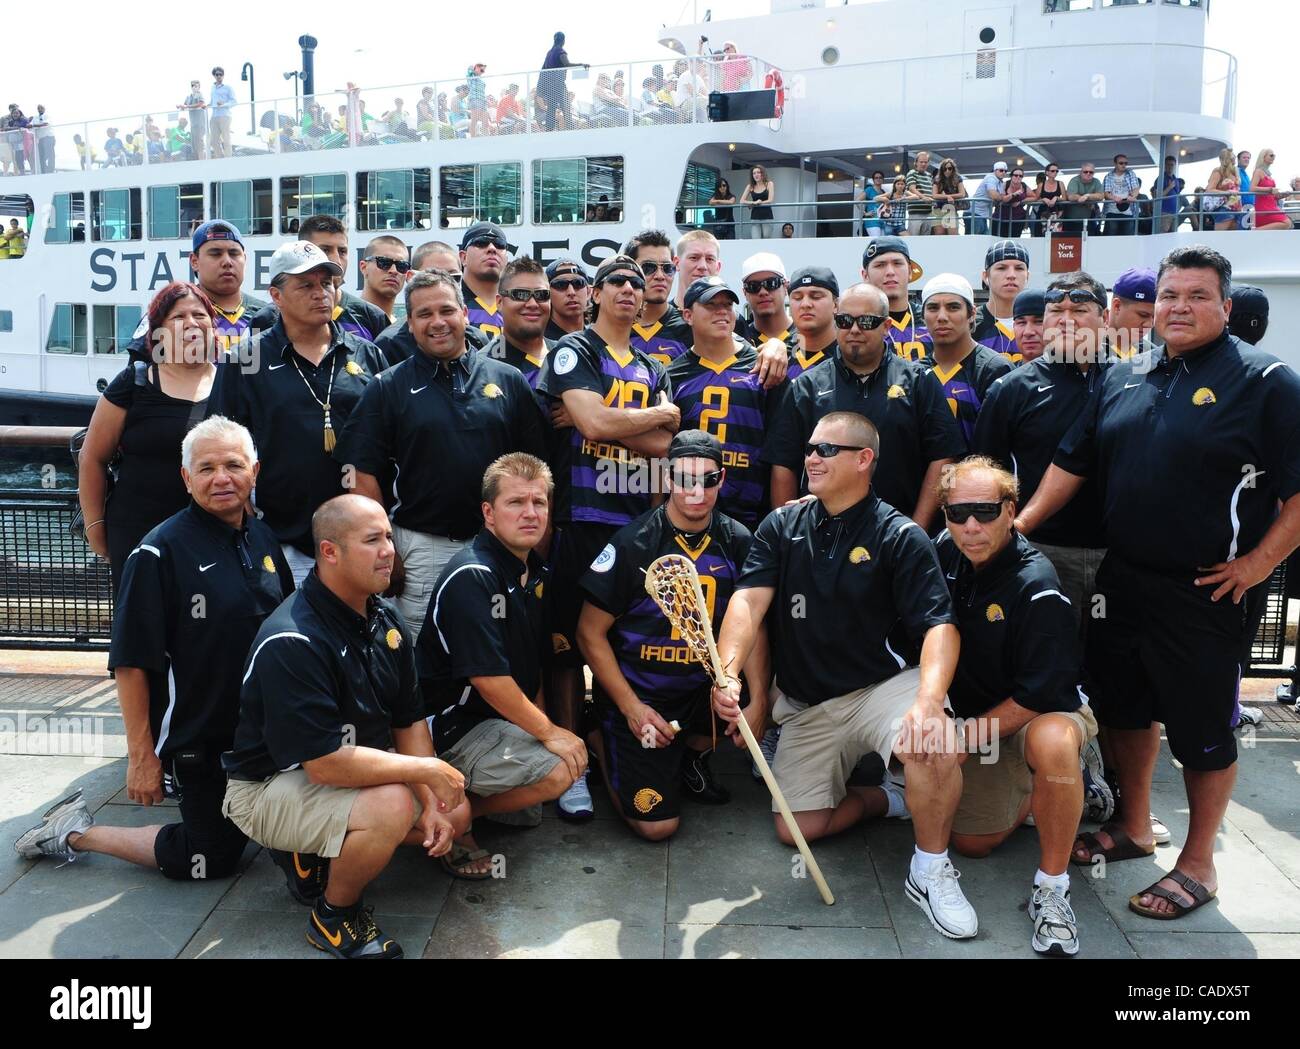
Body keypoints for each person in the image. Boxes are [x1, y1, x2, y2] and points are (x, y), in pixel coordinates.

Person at [1017, 245, 1300, 921]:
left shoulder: (1266, 382)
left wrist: (1258, 564)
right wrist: (1018, 525)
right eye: (1170, 294)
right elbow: (1072, 462)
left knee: (1203, 729)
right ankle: (1136, 826)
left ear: (1226, 307)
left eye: (1197, 295)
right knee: (1124, 708)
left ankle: (1200, 859)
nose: (1179, 306)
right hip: (1125, 576)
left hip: (1208, 588)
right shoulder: (1124, 375)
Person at [713, 410, 975, 939]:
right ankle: (891, 797)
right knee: (796, 832)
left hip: (881, 688)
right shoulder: (780, 524)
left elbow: (940, 627)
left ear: (863, 460)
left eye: (827, 449)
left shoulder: (900, 534)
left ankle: (931, 870)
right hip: (809, 704)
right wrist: (730, 672)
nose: (811, 457)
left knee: (934, 737)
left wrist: (928, 700)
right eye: (809, 447)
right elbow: (747, 601)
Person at [17, 418, 293, 881]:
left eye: (233, 465)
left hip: (265, 730)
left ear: (255, 471)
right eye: (205, 468)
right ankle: (76, 831)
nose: (221, 478)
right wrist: (142, 757)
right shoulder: (158, 553)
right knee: (212, 859)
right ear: (186, 479)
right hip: (200, 741)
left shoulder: (263, 538)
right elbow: (130, 663)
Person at [222, 494, 470, 958]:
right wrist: (422, 774)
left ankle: (313, 853)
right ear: (329, 552)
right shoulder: (294, 637)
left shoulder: (382, 614)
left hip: (330, 771)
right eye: (372, 540)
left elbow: (409, 720)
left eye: (389, 538)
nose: (389, 550)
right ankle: (334, 917)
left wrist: (432, 801)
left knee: (454, 814)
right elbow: (325, 766)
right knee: (393, 805)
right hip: (264, 787)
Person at [535, 255, 680, 822]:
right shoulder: (575, 350)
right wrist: (653, 415)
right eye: (616, 281)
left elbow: (667, 446)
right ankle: (571, 768)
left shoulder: (650, 365)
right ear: (595, 293)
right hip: (581, 519)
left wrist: (611, 416)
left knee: (623, 638)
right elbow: (595, 425)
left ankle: (623, 743)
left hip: (636, 524)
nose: (627, 289)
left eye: (636, 283)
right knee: (568, 647)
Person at [936, 457, 1098, 957]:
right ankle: (1045, 789)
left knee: (1051, 742)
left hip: (1040, 710)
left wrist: (963, 739)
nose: (970, 526)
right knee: (972, 844)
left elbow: (1039, 693)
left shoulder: (1037, 582)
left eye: (984, 511)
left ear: (1011, 511)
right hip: (982, 713)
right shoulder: (946, 551)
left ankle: (1052, 889)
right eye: (957, 512)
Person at [335, 271, 546, 633]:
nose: (437, 323)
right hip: (422, 550)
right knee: (422, 659)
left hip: (501, 546)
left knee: (504, 649)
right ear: (410, 323)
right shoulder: (387, 387)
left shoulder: (509, 379)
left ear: (465, 313)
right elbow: (361, 472)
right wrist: (386, 547)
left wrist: (536, 550)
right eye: (424, 314)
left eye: (446, 310)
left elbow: (537, 471)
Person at [578, 431, 766, 837]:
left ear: (723, 480)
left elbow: (753, 622)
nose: (696, 491)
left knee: (756, 690)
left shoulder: (738, 541)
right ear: (667, 478)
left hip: (704, 686)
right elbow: (588, 633)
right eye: (684, 478)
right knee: (658, 827)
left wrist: (757, 696)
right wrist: (632, 708)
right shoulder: (634, 542)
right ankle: (600, 738)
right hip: (645, 692)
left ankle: (691, 755)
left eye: (708, 480)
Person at [419, 453, 582, 865]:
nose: (530, 513)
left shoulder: (532, 569)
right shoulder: (474, 574)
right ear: (488, 513)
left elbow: (531, 668)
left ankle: (460, 799)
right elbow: (487, 679)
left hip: (495, 719)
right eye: (516, 503)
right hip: (449, 727)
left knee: (530, 812)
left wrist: (545, 729)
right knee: (558, 769)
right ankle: (451, 815)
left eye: (539, 502)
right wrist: (549, 732)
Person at [207, 241, 387, 585]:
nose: (321, 293)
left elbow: (388, 443)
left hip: (360, 539)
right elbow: (221, 444)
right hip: (281, 542)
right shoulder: (245, 360)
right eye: (306, 285)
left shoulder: (367, 355)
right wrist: (244, 520)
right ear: (276, 295)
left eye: (327, 284)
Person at [764, 282, 964, 529]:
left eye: (867, 322)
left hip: (898, 535)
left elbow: (945, 459)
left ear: (887, 326)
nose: (855, 329)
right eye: (845, 321)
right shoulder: (806, 386)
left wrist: (917, 529)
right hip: (822, 536)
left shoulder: (920, 381)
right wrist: (790, 533)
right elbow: (783, 464)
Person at [78, 282, 219, 594]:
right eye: (179, 317)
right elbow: (93, 457)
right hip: (137, 531)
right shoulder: (136, 381)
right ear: (159, 332)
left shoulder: (232, 383)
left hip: (212, 532)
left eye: (200, 315)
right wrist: (96, 526)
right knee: (141, 626)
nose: (192, 323)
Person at [667, 277, 775, 528]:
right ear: (687, 315)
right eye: (711, 304)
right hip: (690, 505)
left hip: (753, 511)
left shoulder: (764, 366)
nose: (722, 311)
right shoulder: (672, 375)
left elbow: (781, 445)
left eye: (727, 304)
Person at [249, 216, 389, 343]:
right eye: (325, 250)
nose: (337, 260)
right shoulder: (264, 319)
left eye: (342, 251)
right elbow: (249, 367)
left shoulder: (373, 317)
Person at [921, 273, 1015, 446]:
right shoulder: (915, 373)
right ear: (923, 316)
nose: (942, 316)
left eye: (953, 307)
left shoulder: (995, 370)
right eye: (933, 308)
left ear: (972, 313)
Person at [182, 221, 269, 353]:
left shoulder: (266, 316)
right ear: (194, 261)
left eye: (234, 254)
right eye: (216, 254)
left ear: (244, 259)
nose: (227, 262)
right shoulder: (173, 314)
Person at [486, 257, 556, 388]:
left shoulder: (567, 354)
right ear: (499, 302)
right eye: (520, 294)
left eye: (541, 295)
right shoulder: (484, 367)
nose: (532, 304)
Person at [861, 236, 929, 362]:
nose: (890, 272)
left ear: (909, 271)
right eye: (880, 265)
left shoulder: (931, 319)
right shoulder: (857, 325)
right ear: (865, 275)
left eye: (897, 263)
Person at [973, 240, 1030, 362]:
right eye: (1001, 268)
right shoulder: (970, 325)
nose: (1011, 275)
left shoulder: (1041, 325)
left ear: (1027, 276)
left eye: (1019, 268)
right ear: (985, 277)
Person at [785, 266, 839, 382]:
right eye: (797, 297)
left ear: (835, 305)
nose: (805, 304)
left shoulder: (849, 357)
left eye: (816, 296)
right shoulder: (779, 358)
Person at [737, 251, 797, 354]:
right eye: (753, 286)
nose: (763, 292)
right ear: (745, 293)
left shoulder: (806, 335)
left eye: (771, 283)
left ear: (786, 287)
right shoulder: (739, 341)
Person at [459, 221, 510, 336]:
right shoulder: (449, 304)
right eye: (481, 243)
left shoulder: (517, 308)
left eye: (499, 244)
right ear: (463, 257)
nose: (492, 248)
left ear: (506, 260)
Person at [539, 32, 587, 131]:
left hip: (549, 86)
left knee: (551, 108)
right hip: (559, 85)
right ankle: (570, 128)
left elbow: (543, 70)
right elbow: (567, 64)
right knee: (565, 107)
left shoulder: (549, 53)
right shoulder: (560, 51)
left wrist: (541, 88)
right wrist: (581, 65)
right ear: (563, 41)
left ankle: (549, 130)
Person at [359, 235, 411, 324]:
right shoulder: (343, 321)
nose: (394, 271)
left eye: (401, 266)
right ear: (364, 267)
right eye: (384, 262)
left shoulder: (405, 330)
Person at [1107, 267, 1156, 358]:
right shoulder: (1088, 351)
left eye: (1155, 317)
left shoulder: (1155, 357)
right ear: (1117, 306)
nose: (1149, 324)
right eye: (1143, 315)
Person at [672, 229, 723, 310]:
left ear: (718, 267)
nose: (703, 266)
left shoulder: (731, 319)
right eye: (694, 258)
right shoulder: (660, 318)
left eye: (710, 259)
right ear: (677, 263)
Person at [544, 257, 590, 341]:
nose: (571, 292)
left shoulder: (601, 339)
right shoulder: (537, 342)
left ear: (588, 292)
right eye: (561, 285)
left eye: (578, 283)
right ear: (548, 294)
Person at [1249, 148, 1294, 231]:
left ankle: (1257, 231)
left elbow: (1271, 195)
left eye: (1274, 155)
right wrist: (1270, 189)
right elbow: (1251, 188)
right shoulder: (1258, 172)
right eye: (1271, 155)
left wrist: (1282, 195)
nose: (1273, 157)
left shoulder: (1268, 174)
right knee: (1287, 223)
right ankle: (1255, 231)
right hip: (1264, 208)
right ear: (1263, 157)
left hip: (1271, 206)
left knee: (1287, 224)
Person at [1203, 148, 1244, 231]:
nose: (1235, 157)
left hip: (1236, 207)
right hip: (1224, 207)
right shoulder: (1218, 171)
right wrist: (1226, 192)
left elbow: (1238, 185)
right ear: (1227, 158)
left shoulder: (1234, 171)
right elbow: (1209, 190)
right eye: (1232, 155)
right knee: (1220, 237)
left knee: (1233, 238)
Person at [1101, 154, 1140, 235]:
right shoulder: (1108, 176)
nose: (1124, 165)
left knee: (1127, 239)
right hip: (1112, 212)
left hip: (1128, 212)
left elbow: (1136, 189)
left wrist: (1132, 197)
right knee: (1110, 239)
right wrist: (1114, 198)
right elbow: (1106, 193)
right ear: (1115, 164)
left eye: (1126, 163)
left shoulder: (1131, 174)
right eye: (1121, 163)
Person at [1063, 163, 1104, 236]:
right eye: (1085, 172)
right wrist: (1083, 199)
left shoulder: (1096, 181)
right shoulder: (1074, 180)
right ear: (1080, 172)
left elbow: (1101, 196)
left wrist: (1087, 196)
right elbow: (1071, 196)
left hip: (1089, 220)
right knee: (1070, 243)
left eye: (1091, 172)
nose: (1088, 173)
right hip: (1071, 220)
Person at [969, 161, 1007, 236]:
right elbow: (993, 195)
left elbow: (1001, 196)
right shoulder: (991, 178)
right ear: (995, 170)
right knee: (975, 240)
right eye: (1001, 170)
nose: (1003, 172)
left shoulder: (1000, 182)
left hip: (982, 214)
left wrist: (999, 197)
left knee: (982, 240)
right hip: (975, 213)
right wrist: (1000, 198)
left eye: (1005, 171)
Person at [1009, 288, 1046, 364]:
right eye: (1021, 322)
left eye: (1039, 322)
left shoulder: (1073, 373)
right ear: (1014, 327)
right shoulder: (1005, 373)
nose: (1028, 332)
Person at [930, 158, 967, 235]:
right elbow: (934, 195)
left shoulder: (957, 178)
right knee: (940, 235)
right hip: (938, 209)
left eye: (949, 168)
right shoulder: (937, 179)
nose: (947, 171)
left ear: (953, 169)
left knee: (952, 235)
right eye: (945, 169)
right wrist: (947, 197)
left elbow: (962, 194)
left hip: (951, 209)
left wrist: (947, 196)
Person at [739, 165, 776, 239]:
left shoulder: (769, 184)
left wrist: (759, 203)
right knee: (755, 238)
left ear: (763, 174)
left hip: (767, 215)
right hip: (755, 216)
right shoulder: (750, 186)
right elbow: (742, 201)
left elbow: (770, 200)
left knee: (767, 237)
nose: (756, 175)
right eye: (754, 173)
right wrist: (754, 203)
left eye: (758, 172)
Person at [993, 168, 1029, 239]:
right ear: (1011, 176)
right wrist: (1013, 194)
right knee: (998, 241)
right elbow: (1003, 199)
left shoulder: (1024, 186)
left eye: (1020, 176)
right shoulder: (1005, 184)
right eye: (1016, 175)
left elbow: (1034, 197)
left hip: (1017, 219)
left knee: (1014, 241)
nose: (1018, 177)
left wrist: (1021, 201)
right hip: (1001, 218)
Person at [1032, 163, 1067, 236]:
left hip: (1056, 213)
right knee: (1040, 235)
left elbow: (1064, 198)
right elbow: (1035, 199)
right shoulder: (1041, 185)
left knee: (1056, 236)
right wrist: (1044, 199)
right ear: (1047, 172)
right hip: (1043, 213)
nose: (1055, 173)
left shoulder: (1060, 183)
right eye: (1053, 171)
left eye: (1056, 171)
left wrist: (1056, 198)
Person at [1153, 156, 1184, 234]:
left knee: (1173, 237)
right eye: (1168, 164)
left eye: (1172, 165)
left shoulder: (1176, 179)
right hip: (1164, 213)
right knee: (1162, 236)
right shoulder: (1160, 179)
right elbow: (1157, 197)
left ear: (1175, 165)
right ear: (1165, 165)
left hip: (1174, 213)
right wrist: (1169, 187)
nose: (1170, 167)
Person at [208, 68, 235, 159]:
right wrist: (206, 105)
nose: (219, 76)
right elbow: (212, 102)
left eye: (221, 74)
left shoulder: (228, 87)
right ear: (214, 76)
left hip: (225, 115)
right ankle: (221, 158)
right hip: (214, 116)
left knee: (226, 139)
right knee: (213, 141)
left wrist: (224, 104)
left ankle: (228, 159)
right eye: (217, 74)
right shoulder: (212, 88)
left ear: (223, 75)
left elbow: (234, 101)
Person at [180, 80, 208, 160]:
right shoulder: (189, 96)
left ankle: (203, 161)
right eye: (193, 85)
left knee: (200, 143)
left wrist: (187, 106)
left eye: (196, 86)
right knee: (194, 144)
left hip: (199, 123)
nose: (194, 87)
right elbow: (185, 105)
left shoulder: (200, 94)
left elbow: (200, 104)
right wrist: (181, 106)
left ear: (199, 87)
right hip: (193, 124)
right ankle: (197, 161)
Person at [858, 170, 889, 237]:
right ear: (873, 180)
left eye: (880, 177)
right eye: (876, 178)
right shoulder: (869, 189)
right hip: (871, 221)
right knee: (877, 241)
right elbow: (857, 201)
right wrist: (865, 213)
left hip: (881, 221)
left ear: (883, 180)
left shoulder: (883, 192)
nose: (878, 179)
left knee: (883, 242)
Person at [466, 63, 492, 138]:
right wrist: (476, 67)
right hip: (474, 100)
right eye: (481, 69)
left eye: (483, 70)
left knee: (485, 121)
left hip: (482, 101)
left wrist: (486, 100)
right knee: (474, 120)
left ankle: (487, 138)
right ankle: (473, 139)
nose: (482, 71)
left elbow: (482, 92)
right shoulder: (471, 77)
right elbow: (470, 67)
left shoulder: (481, 80)